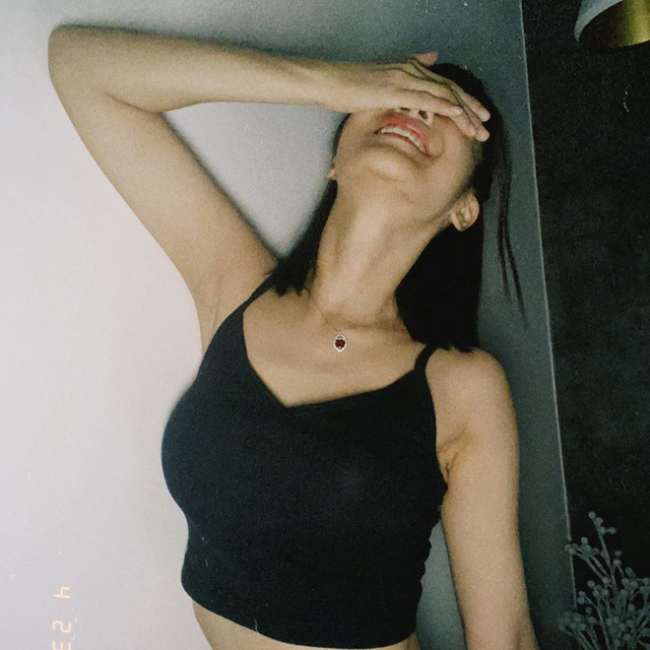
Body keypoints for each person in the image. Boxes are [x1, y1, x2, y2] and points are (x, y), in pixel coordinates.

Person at [48, 24, 539, 650]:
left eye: (453, 110)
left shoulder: (463, 385)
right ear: (335, 159)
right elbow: (80, 66)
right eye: (406, 92)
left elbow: (504, 635)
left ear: (464, 208)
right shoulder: (235, 286)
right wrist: (328, 82)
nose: (420, 107)